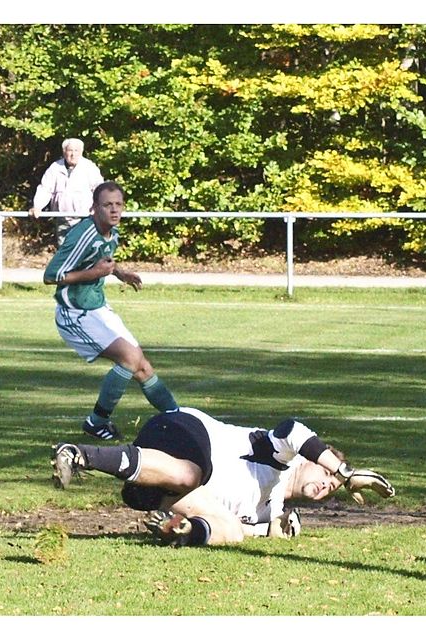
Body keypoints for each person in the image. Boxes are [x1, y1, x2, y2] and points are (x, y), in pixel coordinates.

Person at [50, 406, 396, 546]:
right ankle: (79, 454)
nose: (327, 484)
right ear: (310, 461)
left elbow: (253, 529)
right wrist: (346, 474)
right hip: (183, 429)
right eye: (325, 473)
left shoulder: (270, 509)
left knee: (232, 532)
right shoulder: (281, 456)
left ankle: (180, 532)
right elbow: (293, 429)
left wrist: (276, 529)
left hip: (161, 489)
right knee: (189, 473)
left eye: (333, 487)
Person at [43, 180, 178, 441]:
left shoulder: (111, 231)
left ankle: (177, 417)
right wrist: (94, 273)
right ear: (94, 208)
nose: (114, 210)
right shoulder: (82, 235)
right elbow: (51, 275)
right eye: (107, 205)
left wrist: (120, 273)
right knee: (128, 358)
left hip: (97, 306)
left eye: (118, 204)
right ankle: (96, 422)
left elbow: (104, 259)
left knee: (141, 365)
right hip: (75, 313)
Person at [29, 138, 105, 246]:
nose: (73, 154)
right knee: (64, 251)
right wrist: (37, 206)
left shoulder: (89, 167)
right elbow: (45, 189)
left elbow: (99, 189)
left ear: (81, 152)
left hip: (85, 218)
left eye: (76, 151)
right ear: (64, 151)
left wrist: (99, 207)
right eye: (70, 150)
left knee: (83, 250)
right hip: (63, 218)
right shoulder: (55, 168)